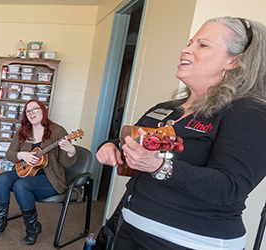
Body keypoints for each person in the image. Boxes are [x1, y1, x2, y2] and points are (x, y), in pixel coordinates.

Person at [96, 17, 266, 249]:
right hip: (129, 226)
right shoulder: (167, 109)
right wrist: (111, 146)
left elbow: (230, 186)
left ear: (233, 61)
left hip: (187, 241)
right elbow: (133, 143)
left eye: (202, 45)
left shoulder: (250, 112)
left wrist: (159, 166)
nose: (185, 50)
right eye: (189, 43)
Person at [0, 100, 77, 245]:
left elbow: (66, 163)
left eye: (35, 109)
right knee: (2, 179)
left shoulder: (57, 131)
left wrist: (71, 151)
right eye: (28, 111)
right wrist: (22, 155)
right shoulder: (23, 131)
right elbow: (9, 154)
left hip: (50, 178)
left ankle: (32, 228)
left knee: (21, 186)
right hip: (26, 171)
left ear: (43, 110)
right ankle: (0, 222)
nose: (31, 113)